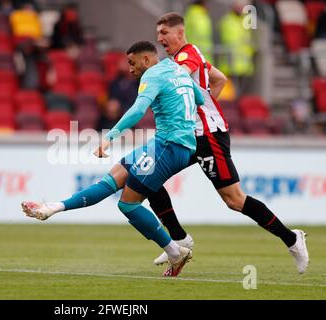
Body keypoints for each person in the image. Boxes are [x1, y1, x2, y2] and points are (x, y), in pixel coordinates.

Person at [22, 41, 205, 277]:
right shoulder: (178, 70)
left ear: (146, 60)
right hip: (169, 144)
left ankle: (174, 251)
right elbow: (200, 99)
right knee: (111, 180)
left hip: (169, 146)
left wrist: (110, 137)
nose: (130, 69)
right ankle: (52, 208)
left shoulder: (152, 75)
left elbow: (138, 110)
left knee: (127, 204)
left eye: (132, 62)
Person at [150, 12, 308, 274]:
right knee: (150, 178)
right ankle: (178, 239)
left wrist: (202, 113)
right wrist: (205, 106)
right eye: (158, 34)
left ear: (179, 32)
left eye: (164, 33)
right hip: (192, 135)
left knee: (234, 200)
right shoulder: (189, 54)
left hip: (208, 136)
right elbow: (220, 79)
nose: (159, 39)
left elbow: (178, 77)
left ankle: (292, 239)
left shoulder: (186, 57)